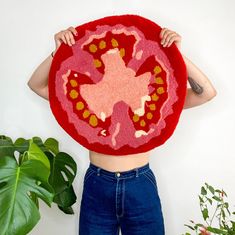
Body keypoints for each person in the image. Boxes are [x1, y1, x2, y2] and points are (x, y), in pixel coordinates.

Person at [27, 24, 217, 235]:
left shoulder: (162, 96)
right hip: (98, 184)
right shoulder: (88, 96)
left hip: (140, 186)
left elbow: (206, 92)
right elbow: (37, 85)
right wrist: (58, 51)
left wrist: (175, 54)